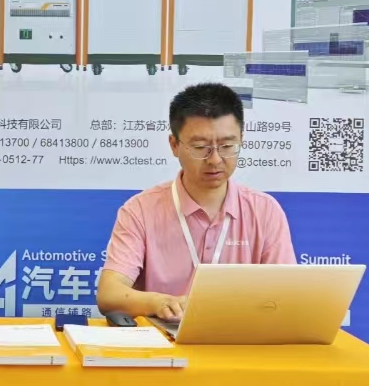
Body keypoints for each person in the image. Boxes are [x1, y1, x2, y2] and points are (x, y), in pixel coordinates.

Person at [97, 82, 296, 322]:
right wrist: (160, 303)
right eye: (200, 147)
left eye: (227, 146)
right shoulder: (140, 210)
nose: (215, 159)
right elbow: (109, 294)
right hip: (164, 338)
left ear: (241, 140)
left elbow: (288, 296)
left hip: (243, 337)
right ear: (174, 145)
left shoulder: (265, 211)